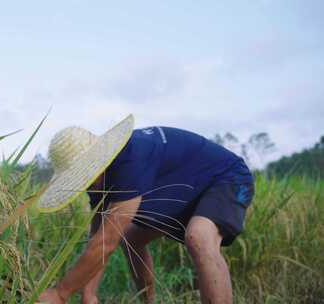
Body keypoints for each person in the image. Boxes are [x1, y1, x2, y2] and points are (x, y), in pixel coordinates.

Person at [36, 115, 254, 304]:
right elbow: (98, 241)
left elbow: (106, 242)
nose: (86, 182)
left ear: (98, 160)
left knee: (199, 236)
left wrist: (60, 293)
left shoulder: (130, 159)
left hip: (226, 178)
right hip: (182, 190)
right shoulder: (97, 182)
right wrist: (89, 295)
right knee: (132, 239)